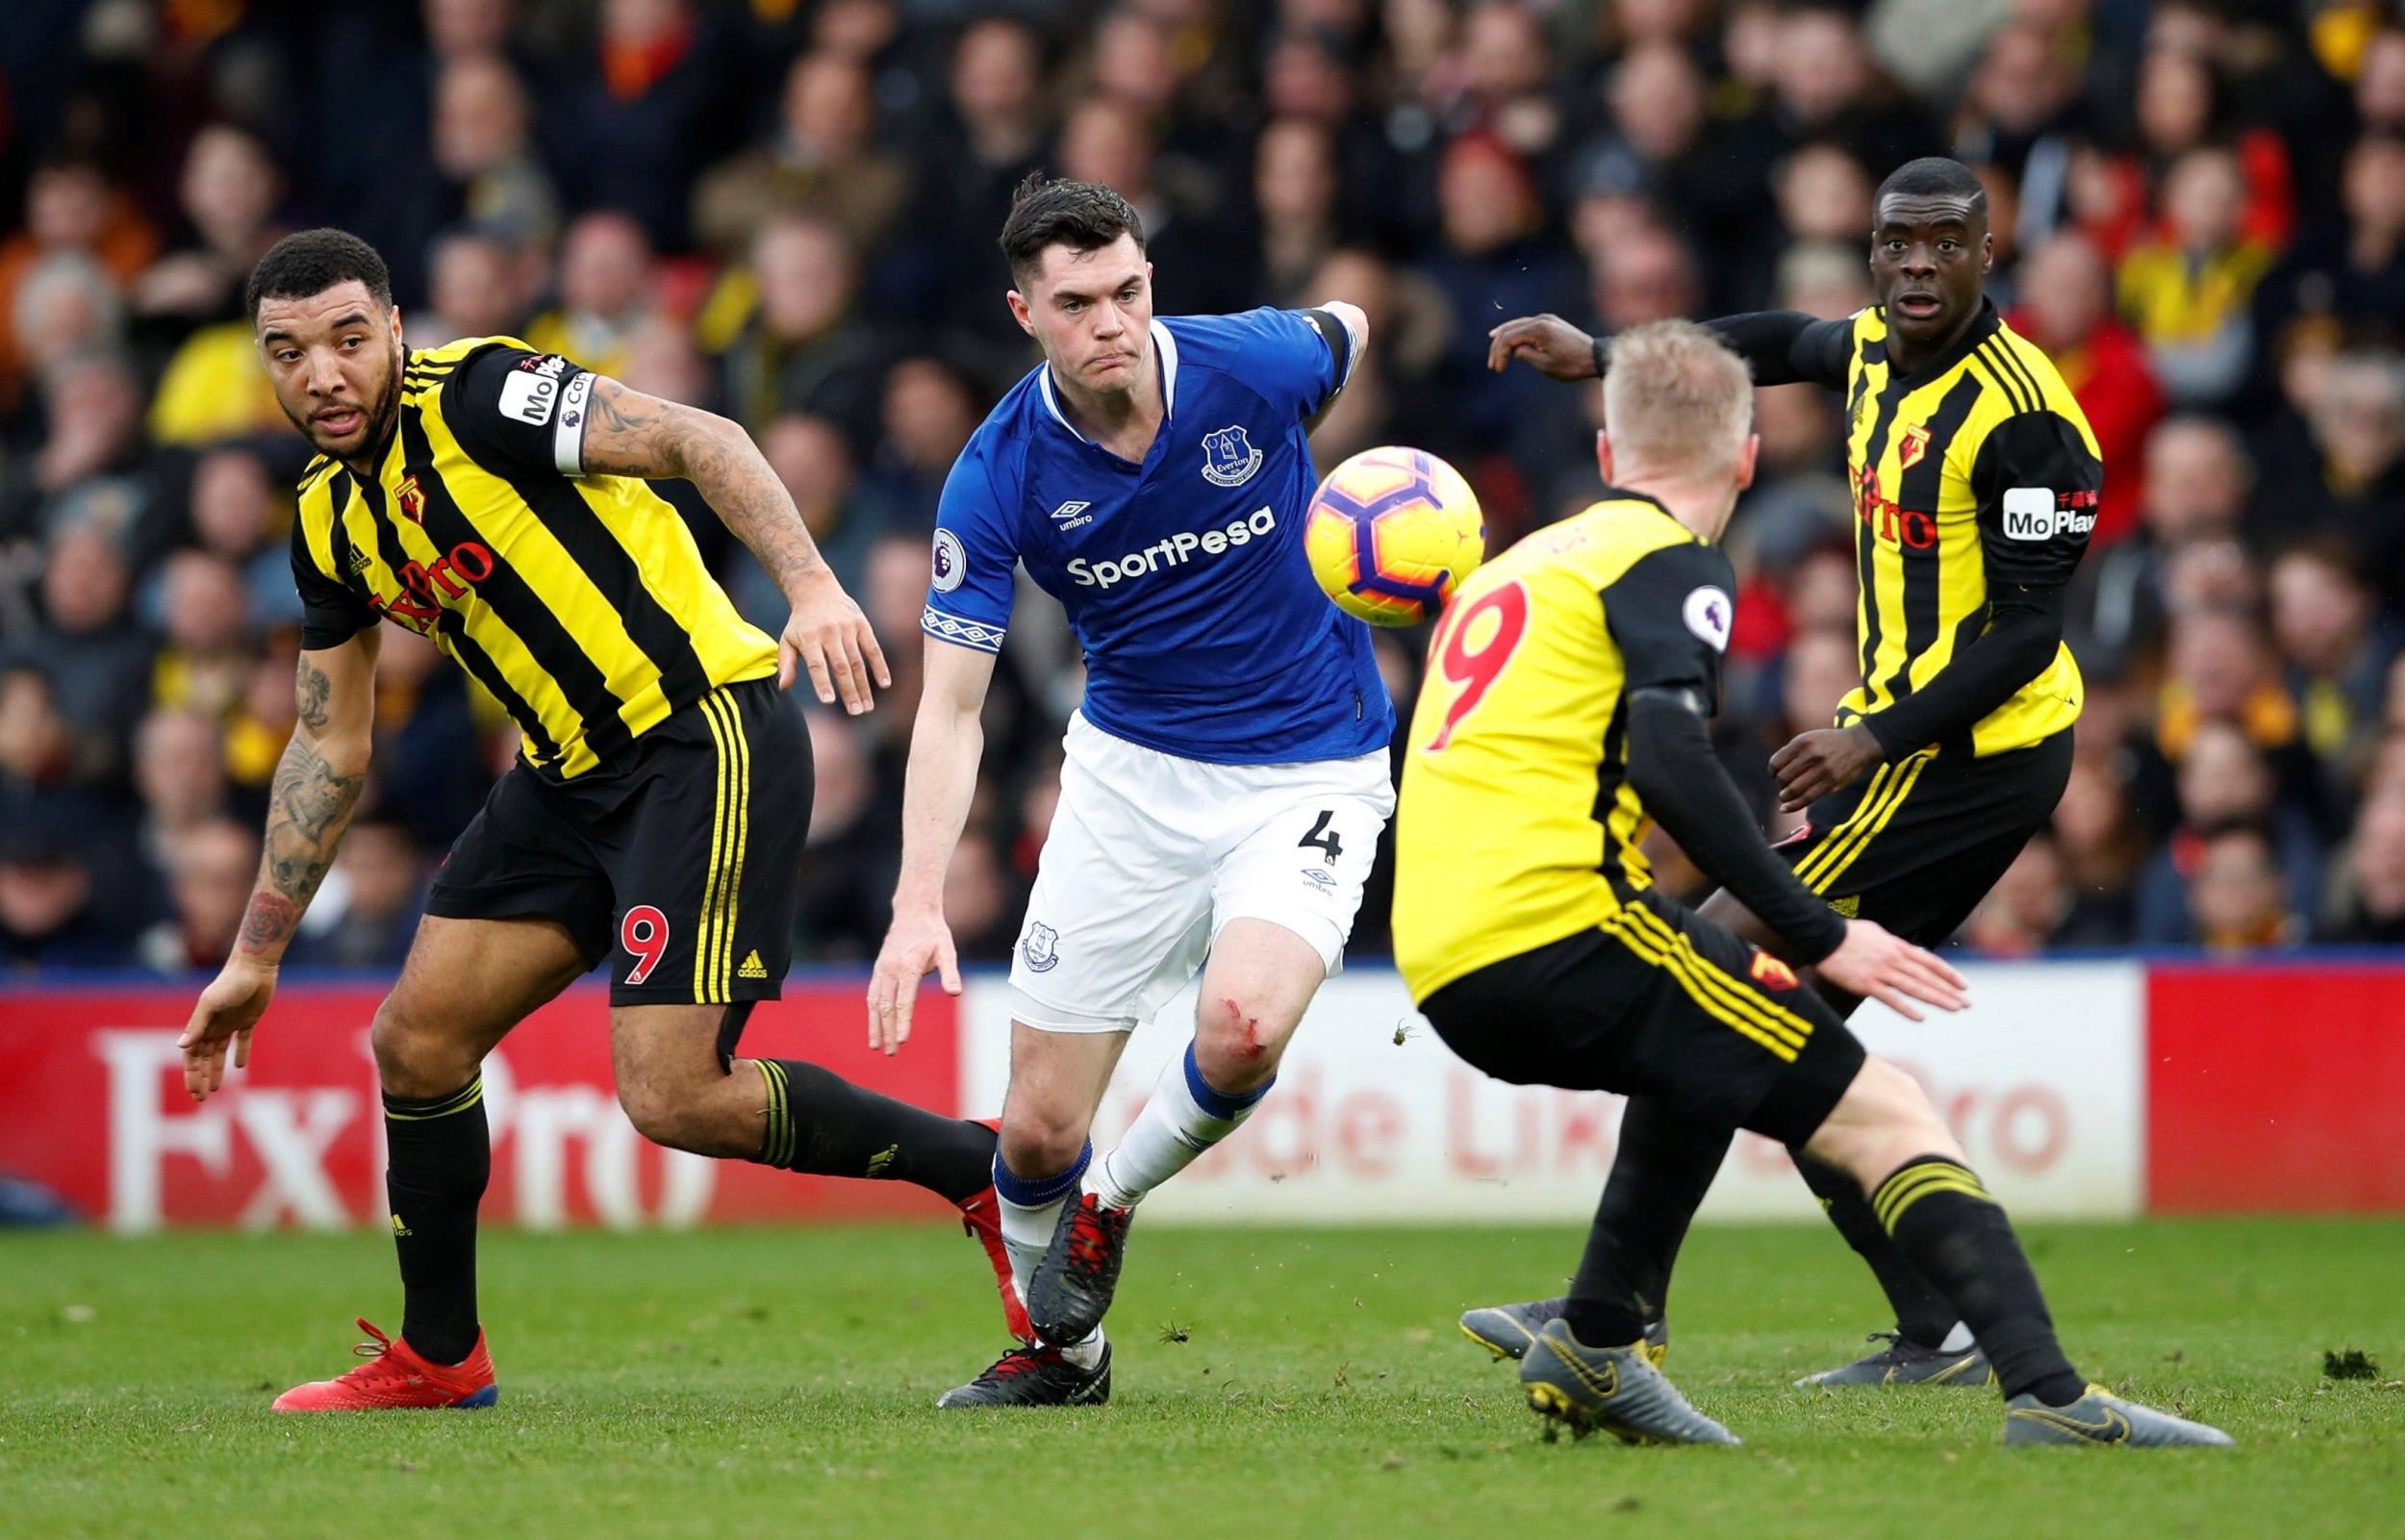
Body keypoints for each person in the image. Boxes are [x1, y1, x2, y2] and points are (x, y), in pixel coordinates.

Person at [173, 229, 1025, 1414]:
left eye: (348, 339)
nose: (322, 372)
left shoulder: (480, 395)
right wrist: (255, 955)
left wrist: (815, 587)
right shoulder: (326, 521)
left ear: (395, 332)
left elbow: (698, 436)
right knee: (415, 1043)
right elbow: (328, 740)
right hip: (565, 781)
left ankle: (989, 1170)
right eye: (289, 350)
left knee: (673, 1095)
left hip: (699, 732)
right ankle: (438, 1355)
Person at [1399, 318, 2226, 1449]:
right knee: (1872, 1093)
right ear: (1747, 460)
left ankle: (1605, 1322)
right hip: (1562, 937)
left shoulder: (1525, 559)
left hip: (1433, 956)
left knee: (1729, 1021)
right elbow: (1668, 754)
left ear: (1603, 457)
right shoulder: (1673, 561)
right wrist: (1817, 926)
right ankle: (2048, 1395)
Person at [1477, 158, 2100, 1387]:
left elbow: (2030, 631)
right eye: (1895, 244)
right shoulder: (1872, 347)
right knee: (1764, 1014)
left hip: (1973, 761)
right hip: (1901, 746)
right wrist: (1608, 350)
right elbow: (1773, 339)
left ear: (1989, 252)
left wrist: (1873, 737)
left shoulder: (2028, 421)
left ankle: (1617, 1308)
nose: (1916, 266)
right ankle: (1919, 1319)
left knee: (1723, 979)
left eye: (1943, 245)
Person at [867, 178, 1383, 1408]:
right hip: (1132, 780)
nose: (1112, 323)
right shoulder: (995, 477)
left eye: (1129, 292)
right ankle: (1066, 1356)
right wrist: (917, 898)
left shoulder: (1254, 365)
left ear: (1151, 279)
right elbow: (949, 706)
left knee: (1242, 1026)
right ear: (1025, 312)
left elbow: (1351, 324)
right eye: (1078, 303)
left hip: (1314, 765)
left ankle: (1111, 1203)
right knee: (1035, 1131)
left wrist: (1381, 496)